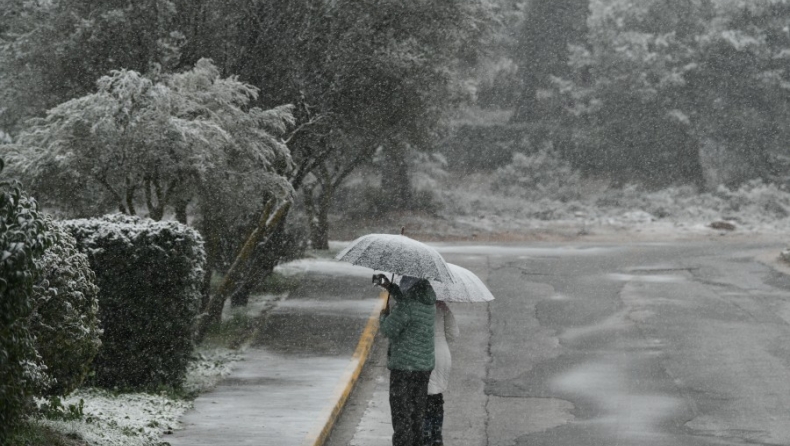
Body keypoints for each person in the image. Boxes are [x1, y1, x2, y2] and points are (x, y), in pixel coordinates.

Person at [374, 274, 437, 446]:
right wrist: (391, 287)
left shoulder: (406, 307)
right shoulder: (428, 302)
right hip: (423, 368)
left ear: (409, 288)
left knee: (401, 415)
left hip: (403, 369)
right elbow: (409, 303)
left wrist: (383, 316)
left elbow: (388, 330)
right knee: (417, 414)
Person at [424, 300, 459, 446]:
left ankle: (427, 437)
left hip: (424, 355)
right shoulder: (442, 306)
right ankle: (437, 436)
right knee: (437, 397)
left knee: (424, 399)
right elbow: (453, 334)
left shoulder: (416, 305)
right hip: (442, 355)